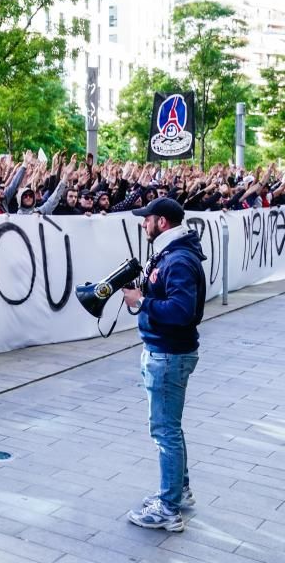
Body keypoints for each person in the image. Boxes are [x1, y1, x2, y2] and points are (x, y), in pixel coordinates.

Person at [122, 197, 205, 532]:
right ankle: (178, 490)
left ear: (162, 222)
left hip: (168, 354)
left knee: (164, 431)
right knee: (171, 427)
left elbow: (182, 311)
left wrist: (142, 301)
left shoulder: (179, 259)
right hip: (168, 352)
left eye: (147, 219)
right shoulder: (174, 254)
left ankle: (168, 508)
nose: (144, 224)